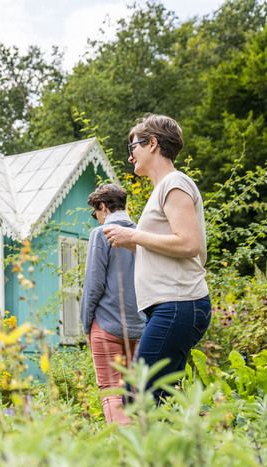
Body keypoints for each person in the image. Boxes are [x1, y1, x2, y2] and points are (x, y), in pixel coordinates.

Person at [103, 114, 211, 401]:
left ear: (152, 143)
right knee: (160, 399)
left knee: (138, 396)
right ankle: (191, 446)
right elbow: (170, 246)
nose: (130, 158)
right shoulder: (163, 189)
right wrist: (131, 244)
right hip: (170, 306)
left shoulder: (174, 183)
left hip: (178, 303)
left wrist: (134, 236)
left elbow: (189, 244)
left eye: (132, 148)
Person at [80, 184, 145, 424]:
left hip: (106, 326)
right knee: (135, 391)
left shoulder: (101, 234)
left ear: (103, 207)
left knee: (111, 391)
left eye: (94, 213)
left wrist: (86, 325)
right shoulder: (142, 233)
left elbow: (93, 285)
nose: (96, 219)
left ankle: (121, 452)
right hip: (139, 326)